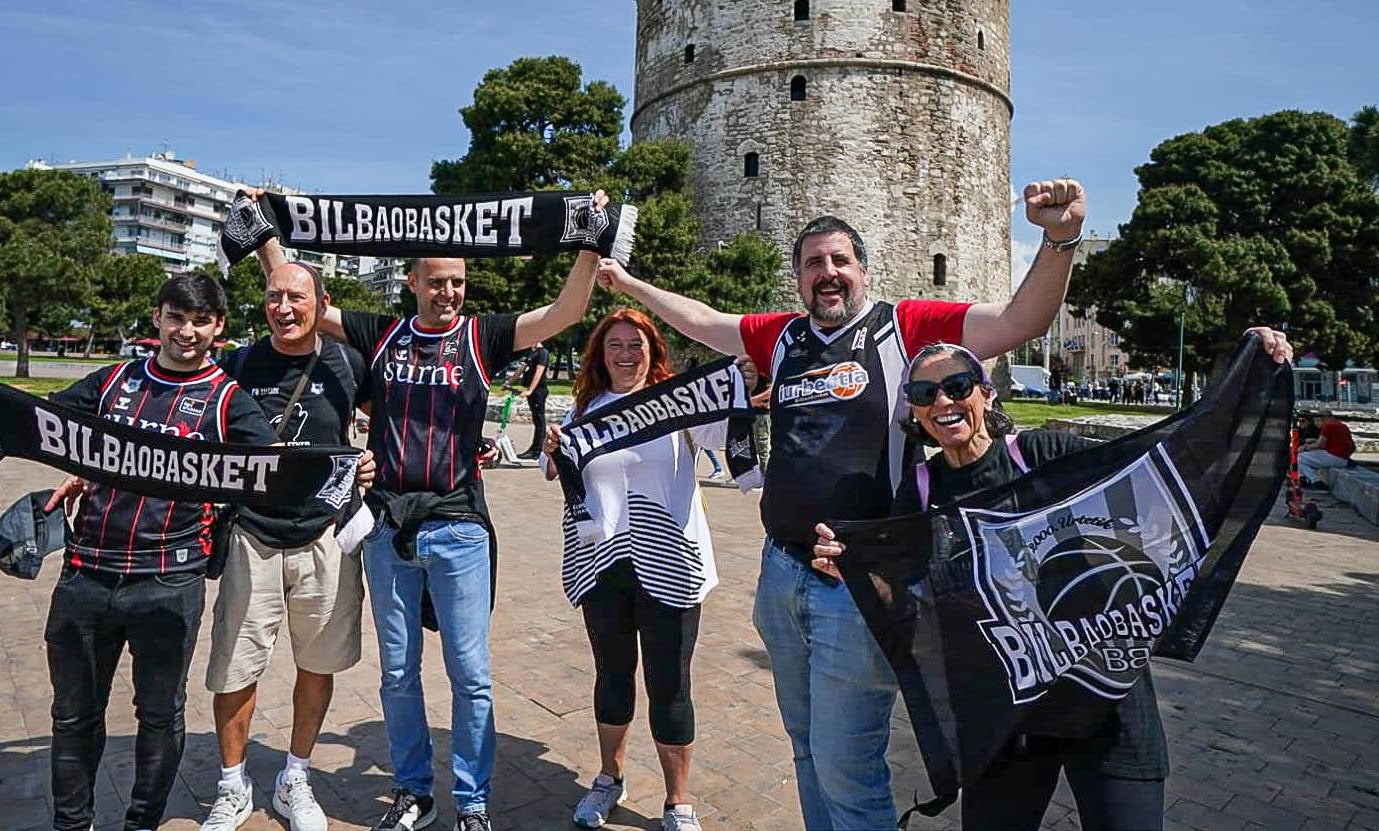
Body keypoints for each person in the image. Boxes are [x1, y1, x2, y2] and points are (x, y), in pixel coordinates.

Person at [594, 179, 1089, 830]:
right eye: (812, 263)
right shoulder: (784, 340)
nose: (826, 273)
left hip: (854, 587)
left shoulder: (902, 327)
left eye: (838, 260)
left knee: (849, 771)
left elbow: (1017, 322)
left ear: (861, 269)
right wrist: (626, 284)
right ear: (798, 279)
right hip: (781, 575)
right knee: (805, 751)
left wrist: (1059, 238)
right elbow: (704, 321)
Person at [810, 332, 1290, 830]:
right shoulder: (922, 491)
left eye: (957, 385)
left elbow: (1165, 467)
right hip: (1009, 713)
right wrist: (855, 570)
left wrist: (1245, 367)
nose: (943, 402)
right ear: (915, 411)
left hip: (1105, 693)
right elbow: (910, 597)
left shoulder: (1046, 454)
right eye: (924, 394)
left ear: (986, 392)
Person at [252, 191, 610, 831]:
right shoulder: (381, 332)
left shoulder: (484, 335)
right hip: (388, 529)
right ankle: (414, 792)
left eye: (459, 282)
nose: (449, 292)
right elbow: (296, 299)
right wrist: (264, 235)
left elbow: (564, 313)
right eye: (437, 281)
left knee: (471, 677)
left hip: (460, 529)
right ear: (412, 280)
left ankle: (472, 804)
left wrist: (589, 242)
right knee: (398, 674)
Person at [0, 275, 281, 831]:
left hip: (171, 584)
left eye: (201, 320)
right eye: (177, 317)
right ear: (157, 319)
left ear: (218, 328)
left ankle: (141, 824)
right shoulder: (113, 382)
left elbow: (277, 468)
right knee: (73, 716)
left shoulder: (228, 401)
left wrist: (341, 468)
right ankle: (73, 825)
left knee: (159, 716)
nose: (187, 331)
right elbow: (40, 420)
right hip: (87, 576)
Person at [199, 260, 376, 831]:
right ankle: (233, 785)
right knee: (234, 667)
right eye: (274, 297)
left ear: (320, 303)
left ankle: (294, 775)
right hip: (253, 533)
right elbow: (184, 417)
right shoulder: (239, 363)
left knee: (317, 663)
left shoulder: (347, 363)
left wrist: (378, 464)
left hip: (324, 536)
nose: (284, 309)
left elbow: (398, 421)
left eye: (297, 298)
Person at [540, 310, 717, 831]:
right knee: (612, 677)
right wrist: (554, 448)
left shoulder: (679, 405)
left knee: (670, 684)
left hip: (673, 565)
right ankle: (608, 778)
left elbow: (729, 420)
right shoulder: (586, 410)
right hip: (604, 566)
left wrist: (745, 378)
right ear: (600, 353)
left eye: (634, 344)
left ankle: (677, 800)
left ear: (652, 351)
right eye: (614, 344)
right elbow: (557, 470)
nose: (624, 354)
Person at [1297, 408, 1356, 486]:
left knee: (1299, 457)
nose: (1319, 422)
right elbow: (1353, 446)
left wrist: (1305, 448)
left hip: (1334, 456)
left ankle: (1315, 481)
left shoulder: (1328, 425)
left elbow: (1320, 444)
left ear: (1323, 418)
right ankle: (1306, 479)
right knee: (1308, 458)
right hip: (1343, 458)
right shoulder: (1342, 425)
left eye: (1320, 419)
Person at [512, 341, 551, 458]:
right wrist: (508, 382)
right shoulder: (531, 353)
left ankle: (537, 451)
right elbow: (521, 369)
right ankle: (535, 448)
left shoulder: (543, 353)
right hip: (533, 391)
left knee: (539, 420)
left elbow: (539, 373)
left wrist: (530, 390)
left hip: (539, 391)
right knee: (536, 419)